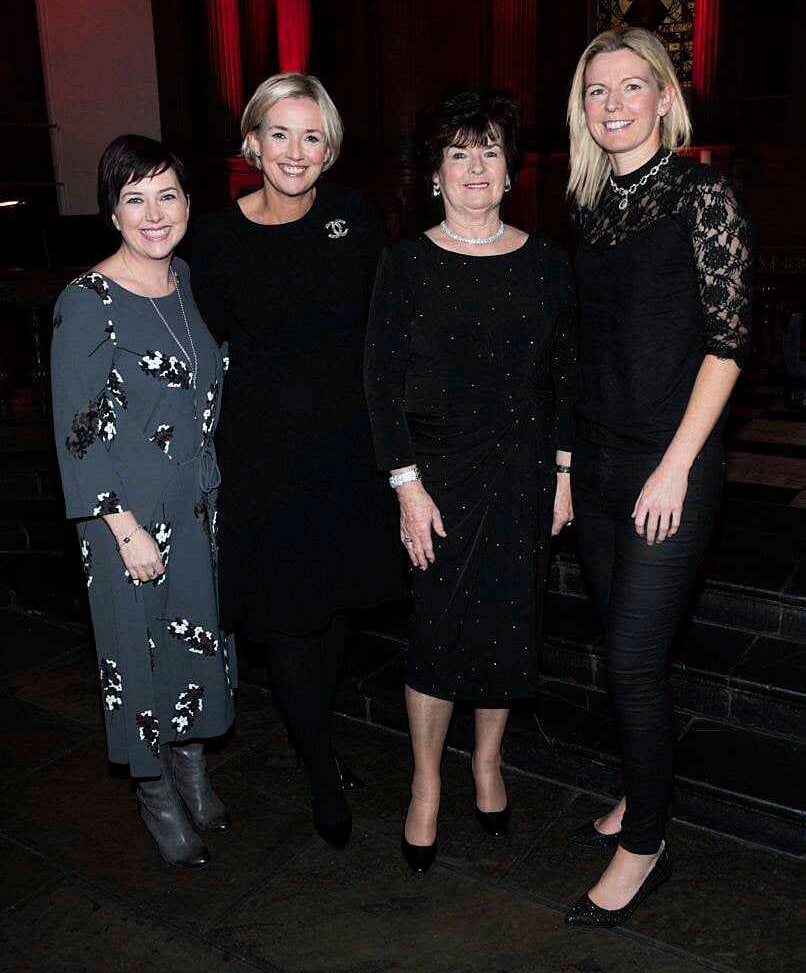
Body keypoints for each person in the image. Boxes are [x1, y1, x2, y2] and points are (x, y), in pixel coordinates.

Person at [563, 27, 752, 927]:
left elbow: (728, 343)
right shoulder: (588, 204)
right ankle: (639, 796)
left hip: (666, 467)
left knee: (634, 662)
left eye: (630, 87)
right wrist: (566, 464)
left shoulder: (702, 193)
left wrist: (677, 467)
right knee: (622, 649)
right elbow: (580, 349)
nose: (613, 105)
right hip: (596, 463)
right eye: (597, 91)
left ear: (663, 97)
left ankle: (647, 845)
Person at [364, 86, 577, 873]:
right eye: (459, 152)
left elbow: (566, 374)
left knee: (507, 627)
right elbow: (379, 382)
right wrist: (406, 486)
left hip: (523, 475)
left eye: (489, 150)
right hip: (439, 480)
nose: (475, 166)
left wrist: (564, 472)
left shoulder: (549, 261)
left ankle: (486, 763)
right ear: (434, 174)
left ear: (510, 169)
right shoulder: (406, 263)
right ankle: (426, 781)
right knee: (439, 629)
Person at [191, 73, 405, 849]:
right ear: (252, 142)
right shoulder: (215, 237)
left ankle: (318, 740)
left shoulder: (354, 216)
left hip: (348, 452)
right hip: (263, 457)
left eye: (311, 136)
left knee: (335, 602)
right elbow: (192, 344)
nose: (295, 151)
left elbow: (390, 327)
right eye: (279, 133)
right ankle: (319, 769)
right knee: (288, 614)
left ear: (330, 149)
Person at [50, 135, 235, 870]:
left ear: (188, 205)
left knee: (195, 639)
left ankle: (191, 767)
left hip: (194, 502)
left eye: (168, 196)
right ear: (112, 212)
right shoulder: (86, 301)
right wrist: (122, 526)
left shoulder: (185, 279)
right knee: (136, 653)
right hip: (124, 516)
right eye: (135, 199)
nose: (154, 214)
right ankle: (155, 791)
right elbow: (76, 426)